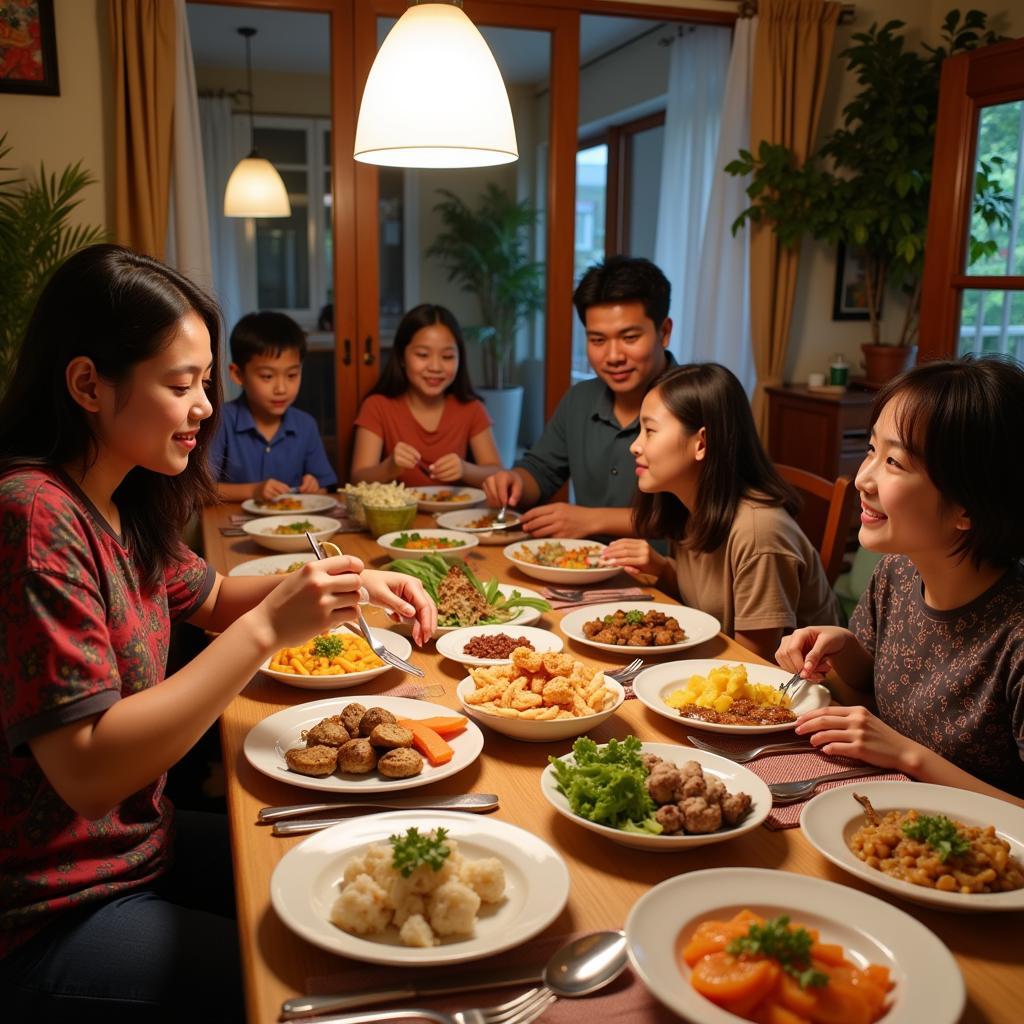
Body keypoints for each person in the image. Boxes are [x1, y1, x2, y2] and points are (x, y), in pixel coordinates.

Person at [0, 244, 436, 1022]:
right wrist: (270, 627)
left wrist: (351, 581)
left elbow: (214, 595)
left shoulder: (117, 496)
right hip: (48, 908)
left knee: (348, 879)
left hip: (134, 849)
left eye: (204, 382)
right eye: (181, 385)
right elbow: (89, 772)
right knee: (320, 984)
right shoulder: (36, 515)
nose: (205, 406)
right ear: (88, 385)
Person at [775, 357, 1024, 804]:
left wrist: (909, 757)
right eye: (871, 450)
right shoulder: (899, 571)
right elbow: (870, 693)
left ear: (968, 505)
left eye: (893, 461)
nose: (862, 479)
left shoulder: (1016, 637)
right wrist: (845, 650)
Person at [602, 363, 840, 660]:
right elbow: (705, 604)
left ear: (701, 442)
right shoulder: (689, 503)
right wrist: (663, 569)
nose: (635, 446)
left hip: (795, 691)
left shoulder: (759, 532)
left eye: (650, 430)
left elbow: (752, 661)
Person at [483, 255, 675, 539]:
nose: (613, 357)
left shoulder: (698, 402)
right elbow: (541, 471)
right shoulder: (581, 399)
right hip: (580, 569)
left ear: (664, 332)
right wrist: (515, 482)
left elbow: (706, 512)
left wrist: (593, 520)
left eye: (630, 338)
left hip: (663, 579)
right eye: (597, 340)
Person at [350, 303, 503, 488]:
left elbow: (498, 473)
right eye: (423, 355)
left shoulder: (472, 409)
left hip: (455, 515)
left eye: (447, 357)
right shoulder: (377, 406)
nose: (435, 367)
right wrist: (389, 467)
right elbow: (357, 479)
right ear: (401, 357)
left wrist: (465, 469)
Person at [209, 310, 338, 501]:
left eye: (292, 375)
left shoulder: (305, 425)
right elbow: (200, 490)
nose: (281, 388)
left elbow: (324, 487)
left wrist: (314, 487)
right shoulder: (221, 421)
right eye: (267, 376)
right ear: (238, 374)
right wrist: (253, 491)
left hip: (289, 526)